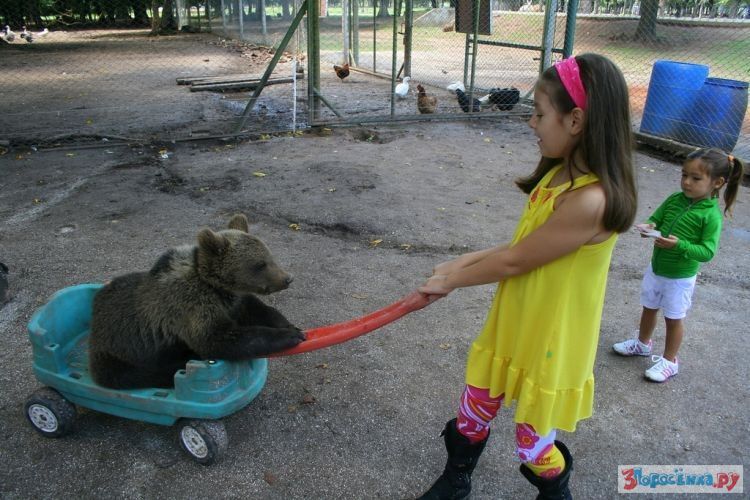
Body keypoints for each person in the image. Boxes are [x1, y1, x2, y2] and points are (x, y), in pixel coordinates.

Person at [415, 53, 637, 500]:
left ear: (575, 120)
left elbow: (516, 262)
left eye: (539, 113)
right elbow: (521, 249)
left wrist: (454, 281)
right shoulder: (556, 177)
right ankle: (456, 480)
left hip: (550, 340)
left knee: (532, 445)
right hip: (515, 319)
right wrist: (456, 265)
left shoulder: (591, 200)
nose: (532, 123)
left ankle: (556, 493)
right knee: (473, 409)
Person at [613, 148, 743, 382]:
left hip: (680, 277)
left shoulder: (711, 216)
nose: (686, 182)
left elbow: (707, 252)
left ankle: (670, 361)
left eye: (695, 178)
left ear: (717, 182)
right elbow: (657, 219)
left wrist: (680, 245)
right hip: (657, 268)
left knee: (673, 318)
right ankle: (642, 344)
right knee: (649, 307)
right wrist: (649, 227)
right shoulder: (675, 198)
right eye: (684, 175)